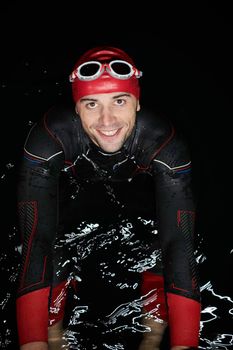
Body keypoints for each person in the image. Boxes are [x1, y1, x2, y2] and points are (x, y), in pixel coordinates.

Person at [16, 46, 201, 350]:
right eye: (91, 104)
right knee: (52, 252)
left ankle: (151, 340)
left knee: (160, 252)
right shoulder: (49, 138)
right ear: (76, 108)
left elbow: (179, 245)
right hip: (70, 188)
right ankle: (52, 336)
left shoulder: (164, 144)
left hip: (140, 189)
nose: (107, 121)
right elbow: (36, 241)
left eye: (119, 101)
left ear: (137, 102)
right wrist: (33, 344)